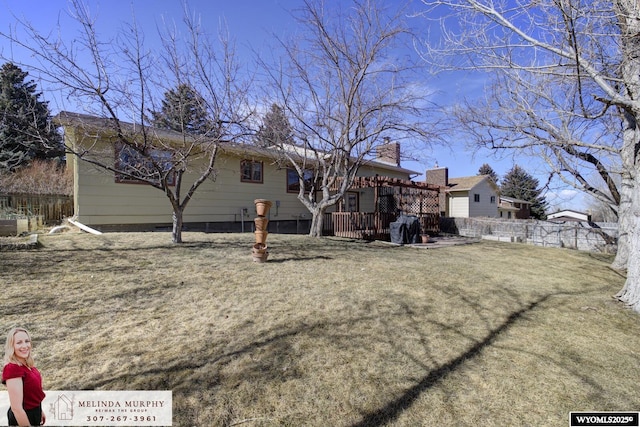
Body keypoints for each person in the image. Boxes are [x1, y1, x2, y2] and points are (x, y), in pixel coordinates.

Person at [2, 327, 46, 426]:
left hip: (34, 413)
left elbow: (30, 394)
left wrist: (39, 411)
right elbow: (16, 408)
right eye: (19, 343)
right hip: (23, 417)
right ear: (11, 346)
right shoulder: (12, 368)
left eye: (27, 341)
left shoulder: (27, 365)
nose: (25, 346)